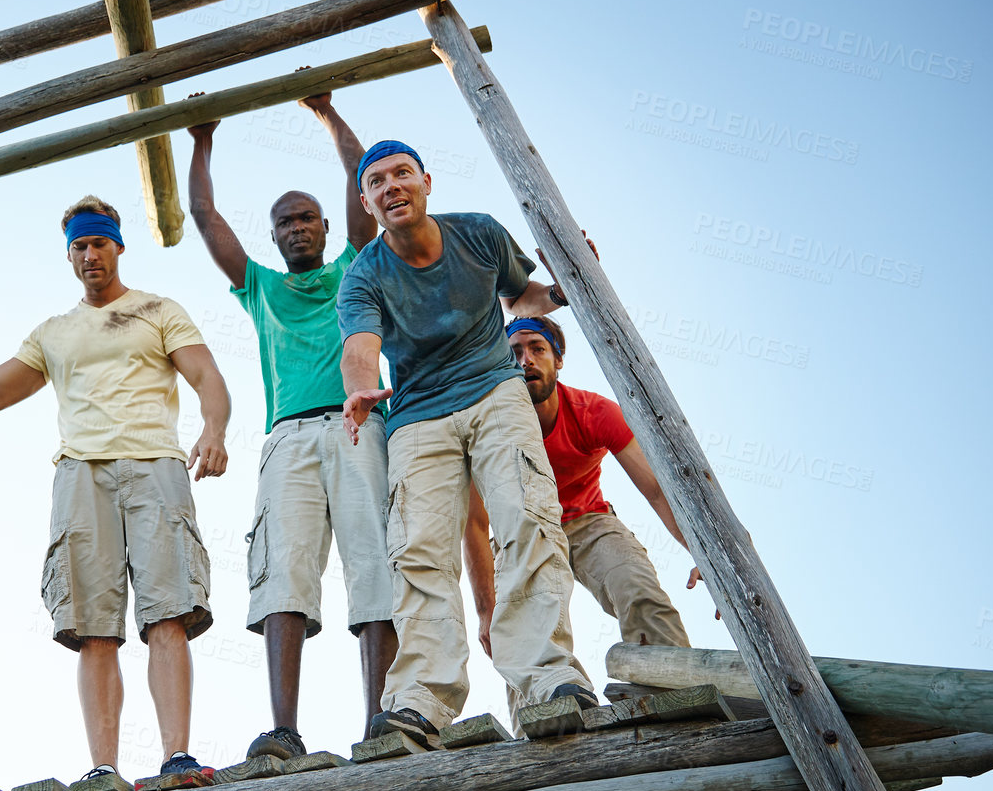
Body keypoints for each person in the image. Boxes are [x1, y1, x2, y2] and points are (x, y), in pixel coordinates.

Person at [0, 195, 232, 788]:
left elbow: (207, 377)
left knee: (168, 613)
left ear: (118, 246)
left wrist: (214, 428)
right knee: (94, 625)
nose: (90, 253)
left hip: (155, 465)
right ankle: (104, 766)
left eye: (99, 242)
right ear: (69, 256)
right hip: (81, 474)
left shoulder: (157, 310)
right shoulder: (52, 333)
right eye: (79, 245)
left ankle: (176, 755)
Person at [338, 140, 596, 746]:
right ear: (367, 202)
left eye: (403, 174)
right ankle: (420, 700)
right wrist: (360, 390)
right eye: (377, 181)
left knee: (527, 518)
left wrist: (558, 290)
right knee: (419, 549)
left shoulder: (479, 234)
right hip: (418, 415)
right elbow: (360, 347)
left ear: (427, 181)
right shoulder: (364, 275)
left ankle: (550, 677)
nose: (392, 186)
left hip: (495, 391)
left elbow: (521, 300)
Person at [185, 94, 403, 755]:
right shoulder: (261, 288)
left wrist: (327, 113)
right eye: (286, 222)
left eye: (308, 217)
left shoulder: (353, 269)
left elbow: (360, 175)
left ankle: (381, 719)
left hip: (359, 427)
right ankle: (284, 729)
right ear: (276, 234)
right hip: (288, 437)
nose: (298, 227)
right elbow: (203, 214)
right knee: (283, 569)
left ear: (329, 228)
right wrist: (202, 138)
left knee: (375, 565)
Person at [494, 314, 708, 655]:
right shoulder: (490, 428)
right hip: (524, 528)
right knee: (523, 634)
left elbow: (655, 489)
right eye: (515, 353)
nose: (526, 360)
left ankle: (676, 686)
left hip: (587, 519)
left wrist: (704, 555)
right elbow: (473, 518)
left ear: (559, 359)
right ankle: (542, 703)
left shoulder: (594, 412)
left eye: (537, 349)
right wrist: (483, 606)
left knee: (637, 589)